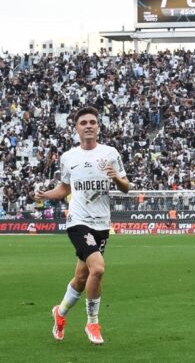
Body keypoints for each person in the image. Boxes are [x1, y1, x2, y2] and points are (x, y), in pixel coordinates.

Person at [35, 106, 129, 345]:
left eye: (93, 122)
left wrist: (115, 178)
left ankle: (60, 313)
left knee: (81, 277)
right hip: (77, 221)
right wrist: (46, 194)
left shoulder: (110, 153)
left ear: (98, 127)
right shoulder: (69, 157)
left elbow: (126, 186)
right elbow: (65, 188)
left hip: (102, 223)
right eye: (84, 122)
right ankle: (93, 322)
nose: (88, 125)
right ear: (76, 128)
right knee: (97, 268)